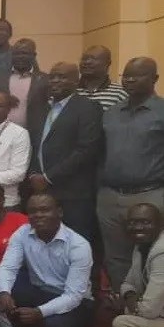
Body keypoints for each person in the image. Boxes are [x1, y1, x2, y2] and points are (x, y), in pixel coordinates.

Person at [0, 193, 94, 327]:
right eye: (32, 211)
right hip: (39, 289)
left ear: (60, 212)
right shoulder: (22, 233)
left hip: (75, 300)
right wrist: (3, 292)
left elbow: (73, 296)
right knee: (1, 289)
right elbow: (8, 267)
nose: (38, 215)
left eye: (44, 210)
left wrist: (39, 312)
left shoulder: (79, 245)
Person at [97, 57, 164, 291]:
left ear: (155, 79)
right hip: (110, 196)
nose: (130, 80)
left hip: (151, 195)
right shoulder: (111, 113)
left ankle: (152, 314)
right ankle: (124, 308)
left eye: (137, 76)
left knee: (154, 255)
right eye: (126, 76)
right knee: (116, 257)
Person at [27, 62, 103, 242]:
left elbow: (86, 150)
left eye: (62, 77)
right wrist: (33, 174)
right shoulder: (43, 108)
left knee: (76, 243)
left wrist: (48, 177)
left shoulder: (88, 108)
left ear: (76, 81)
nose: (55, 81)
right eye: (52, 77)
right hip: (43, 192)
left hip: (73, 193)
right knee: (46, 243)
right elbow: (36, 145)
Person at [112, 204, 164, 327]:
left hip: (158, 312)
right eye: (132, 222)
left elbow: (149, 311)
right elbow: (127, 284)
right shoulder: (141, 246)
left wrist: (129, 302)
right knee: (130, 312)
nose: (138, 227)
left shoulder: (163, 251)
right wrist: (130, 296)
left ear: (160, 225)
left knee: (123, 323)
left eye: (145, 222)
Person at [0, 38, 49, 128]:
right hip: (3, 133)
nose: (20, 56)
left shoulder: (44, 79)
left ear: (34, 55)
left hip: (33, 134)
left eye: (24, 53)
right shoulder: (0, 77)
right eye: (16, 53)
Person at [78, 45, 128, 111]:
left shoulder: (120, 93)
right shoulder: (71, 91)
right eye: (84, 59)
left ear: (108, 63)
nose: (87, 62)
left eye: (93, 59)